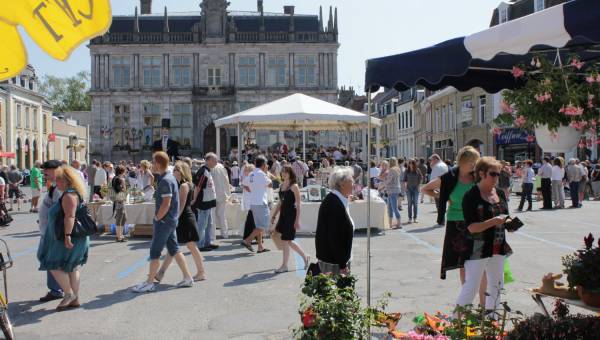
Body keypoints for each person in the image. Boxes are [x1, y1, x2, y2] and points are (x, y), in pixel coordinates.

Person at [422, 146, 488, 306]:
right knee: (463, 264)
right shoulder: (449, 178)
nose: (474, 166)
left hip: (476, 222)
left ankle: (484, 304)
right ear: (461, 162)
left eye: (476, 162)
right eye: (470, 162)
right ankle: (467, 303)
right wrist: (442, 196)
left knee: (481, 263)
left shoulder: (477, 177)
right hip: (456, 224)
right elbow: (425, 189)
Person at [133, 152, 194, 293]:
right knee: (174, 249)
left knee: (155, 252)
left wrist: (157, 218)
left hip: (165, 221)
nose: (151, 164)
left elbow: (166, 204)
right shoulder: (169, 178)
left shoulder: (166, 180)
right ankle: (188, 277)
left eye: (153, 162)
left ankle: (149, 283)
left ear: (158, 164)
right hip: (170, 221)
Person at [457, 157, 513, 312]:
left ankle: (491, 322)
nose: (496, 178)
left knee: (495, 287)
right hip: (477, 248)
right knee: (471, 287)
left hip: (498, 246)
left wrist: (510, 224)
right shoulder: (471, 195)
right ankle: (456, 323)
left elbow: (505, 216)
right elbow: (472, 227)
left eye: (498, 174)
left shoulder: (500, 193)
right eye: (493, 174)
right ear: (481, 173)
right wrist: (493, 221)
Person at [38, 165, 90, 310]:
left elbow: (70, 217)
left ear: (66, 181)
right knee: (72, 267)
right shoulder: (72, 193)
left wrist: (67, 236)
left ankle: (69, 294)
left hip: (69, 236)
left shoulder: (69, 195)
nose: (56, 183)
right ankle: (75, 298)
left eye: (59, 180)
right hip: (74, 236)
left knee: (52, 264)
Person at [155, 162, 206, 283]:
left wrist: (174, 219)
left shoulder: (183, 186)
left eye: (176, 169)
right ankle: (160, 273)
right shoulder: (187, 185)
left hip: (184, 218)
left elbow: (182, 205)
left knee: (191, 246)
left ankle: (201, 272)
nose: (173, 172)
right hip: (185, 217)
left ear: (182, 171)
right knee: (174, 247)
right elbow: (191, 201)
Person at [315, 167, 355, 275]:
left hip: (336, 260)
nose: (354, 183)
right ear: (342, 184)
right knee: (336, 290)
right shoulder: (334, 204)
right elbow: (334, 237)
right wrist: (342, 264)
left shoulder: (338, 200)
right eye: (351, 180)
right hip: (334, 263)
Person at [270, 165, 309, 273]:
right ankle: (305, 258)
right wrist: (274, 215)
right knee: (289, 241)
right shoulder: (282, 185)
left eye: (286, 172)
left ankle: (284, 265)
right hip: (283, 216)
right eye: (282, 172)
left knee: (285, 241)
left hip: (291, 216)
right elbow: (280, 203)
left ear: (290, 173)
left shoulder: (294, 186)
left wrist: (297, 220)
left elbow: (299, 205)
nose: (283, 174)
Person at [37, 160, 64, 302]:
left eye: (46, 170)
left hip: (52, 231)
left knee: (48, 259)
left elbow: (60, 211)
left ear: (55, 170)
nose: (44, 173)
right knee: (46, 259)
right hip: (48, 229)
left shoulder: (59, 187)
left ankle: (57, 289)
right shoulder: (54, 185)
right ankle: (57, 288)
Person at [240, 155, 272, 253]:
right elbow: (270, 184)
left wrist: (251, 190)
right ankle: (247, 240)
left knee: (259, 225)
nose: (267, 165)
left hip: (253, 202)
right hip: (261, 202)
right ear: (263, 164)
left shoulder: (252, 173)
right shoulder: (262, 174)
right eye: (266, 164)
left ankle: (260, 246)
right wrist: (266, 173)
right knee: (263, 225)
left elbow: (243, 183)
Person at [191, 156, 217, 252]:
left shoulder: (208, 171)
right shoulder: (203, 171)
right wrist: (194, 199)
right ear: (208, 161)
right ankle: (200, 245)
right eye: (214, 160)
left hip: (208, 201)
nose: (216, 162)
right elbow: (198, 187)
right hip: (203, 202)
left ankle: (207, 242)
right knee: (202, 224)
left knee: (209, 223)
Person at [206, 153, 231, 240]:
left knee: (212, 216)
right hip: (223, 194)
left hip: (213, 194)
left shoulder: (210, 168)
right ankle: (225, 234)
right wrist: (228, 193)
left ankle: (212, 236)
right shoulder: (221, 167)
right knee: (222, 215)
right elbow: (227, 180)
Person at [429, 154, 449, 226]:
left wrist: (431, 188)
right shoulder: (444, 165)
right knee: (442, 205)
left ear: (436, 159)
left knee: (439, 205)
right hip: (445, 188)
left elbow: (433, 178)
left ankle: (441, 221)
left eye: (432, 160)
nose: (431, 162)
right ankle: (441, 220)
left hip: (438, 188)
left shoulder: (437, 166)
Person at [383, 158, 402, 228]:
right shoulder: (397, 169)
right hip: (395, 189)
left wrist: (383, 183)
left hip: (392, 190)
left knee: (393, 208)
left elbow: (389, 180)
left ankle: (399, 223)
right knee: (391, 208)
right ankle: (390, 224)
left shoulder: (391, 170)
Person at [111, 165, 128, 242]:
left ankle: (120, 235)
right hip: (119, 200)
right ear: (122, 171)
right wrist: (123, 184)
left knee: (124, 218)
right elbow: (121, 191)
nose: (125, 172)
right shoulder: (118, 179)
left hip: (119, 200)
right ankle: (118, 236)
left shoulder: (116, 178)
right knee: (120, 218)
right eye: (124, 171)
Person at [404, 159, 423, 224]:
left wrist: (419, 186)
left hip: (416, 188)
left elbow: (421, 178)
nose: (410, 164)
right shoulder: (407, 170)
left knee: (415, 203)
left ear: (414, 164)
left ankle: (415, 218)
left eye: (412, 163)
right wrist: (405, 187)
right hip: (409, 188)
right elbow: (405, 180)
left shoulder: (417, 170)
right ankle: (410, 218)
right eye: (409, 163)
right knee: (409, 203)